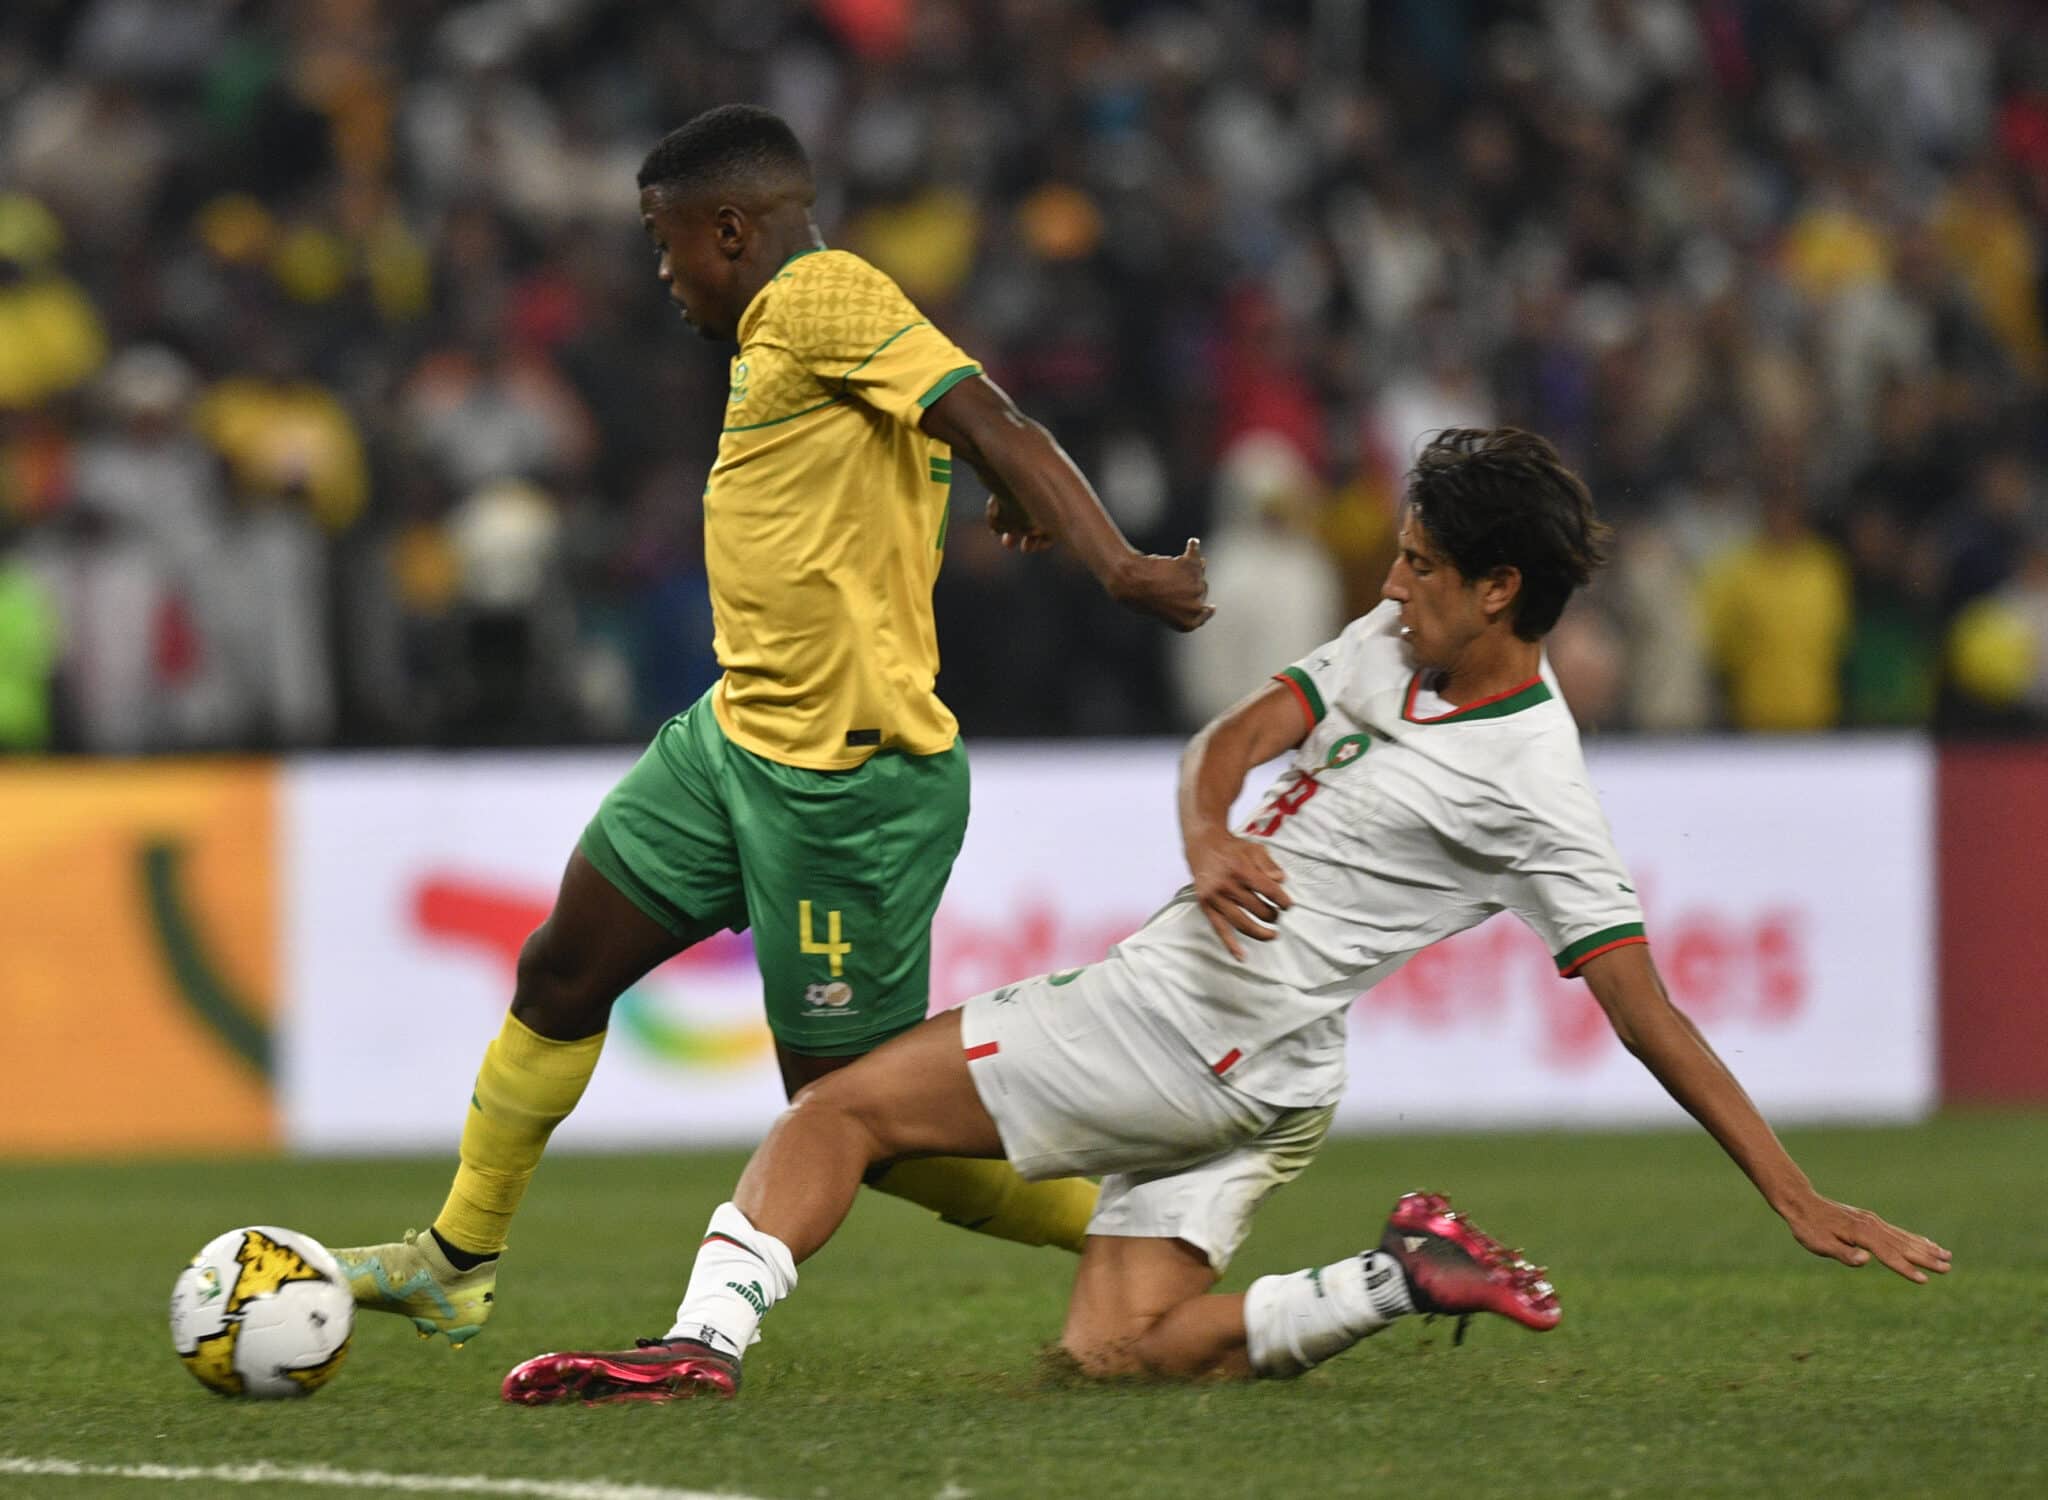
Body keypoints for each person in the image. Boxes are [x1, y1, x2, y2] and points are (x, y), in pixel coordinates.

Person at [497, 428, 1950, 1405]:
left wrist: (1795, 1192)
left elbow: (1648, 1014)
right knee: (1112, 1346)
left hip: (1192, 1020)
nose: (1391, 582)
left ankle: (699, 1344)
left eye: (1424, 567)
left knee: (835, 1115)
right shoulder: (1395, 641)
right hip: (1287, 1074)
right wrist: (1207, 835)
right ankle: (1398, 1275)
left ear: (1502, 590)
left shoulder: (1538, 793)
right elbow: (1234, 743)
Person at [335, 104, 1213, 1344]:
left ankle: (1150, 1231)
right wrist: (1015, 487)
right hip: (733, 740)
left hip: (843, 788)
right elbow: (976, 421)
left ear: (731, 229)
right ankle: (455, 1257)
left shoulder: (820, 296)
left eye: (665, 240)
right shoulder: (792, 336)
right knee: (560, 969)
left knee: (856, 1122)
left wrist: (1115, 564)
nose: (661, 270)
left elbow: (993, 417)